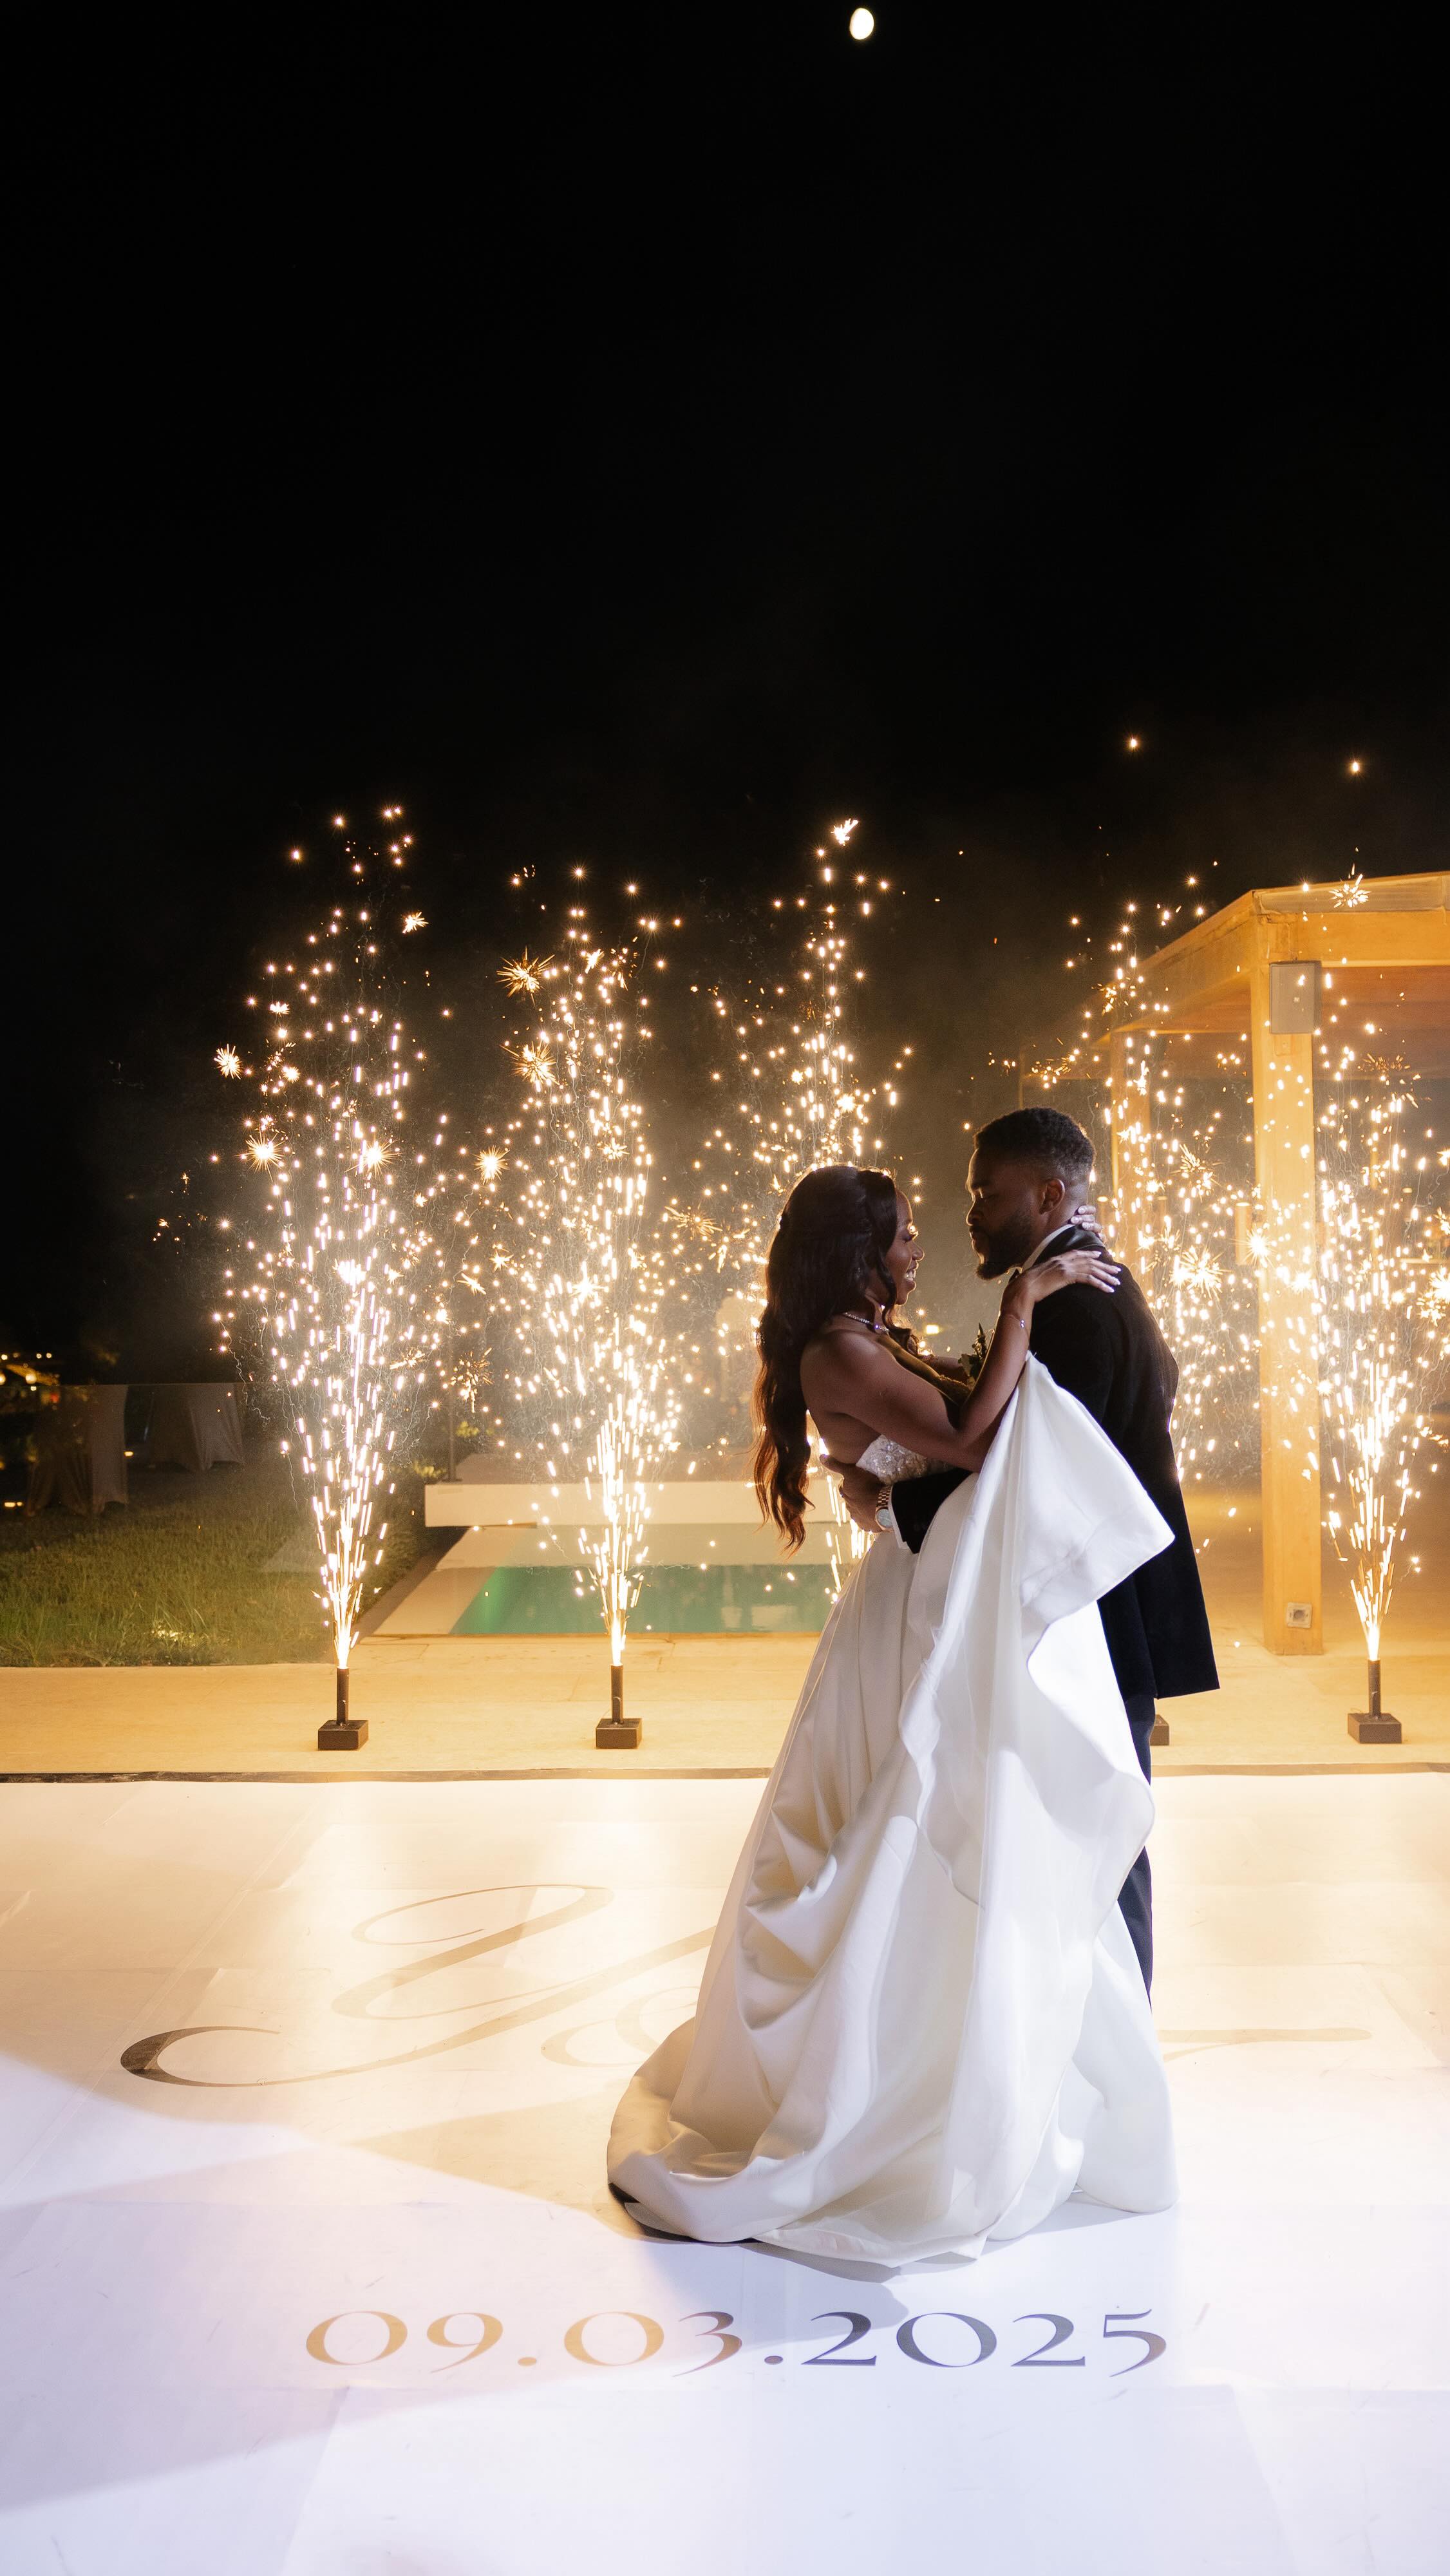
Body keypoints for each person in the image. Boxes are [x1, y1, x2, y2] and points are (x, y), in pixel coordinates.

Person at [608, 1161, 1179, 2263]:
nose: (919, 1248)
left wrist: (876, 1469)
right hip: (915, 1609)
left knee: (925, 1822)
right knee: (900, 1825)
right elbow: (966, 1440)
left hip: (925, 1590)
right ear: (856, 1251)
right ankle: (889, 2089)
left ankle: (956, 2047)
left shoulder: (860, 1340)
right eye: (903, 1234)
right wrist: (1026, 1300)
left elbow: (917, 1446)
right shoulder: (840, 1351)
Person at [835, 1106, 1218, 1993]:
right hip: (1097, 1600)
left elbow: (1029, 1465)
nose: (972, 1212)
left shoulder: (1073, 1304)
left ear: (1048, 1195)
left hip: (1095, 1608)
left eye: (987, 1193)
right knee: (1090, 1822)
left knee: (1097, 1830)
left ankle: (1111, 2035)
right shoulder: (1085, 1281)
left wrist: (892, 1502)